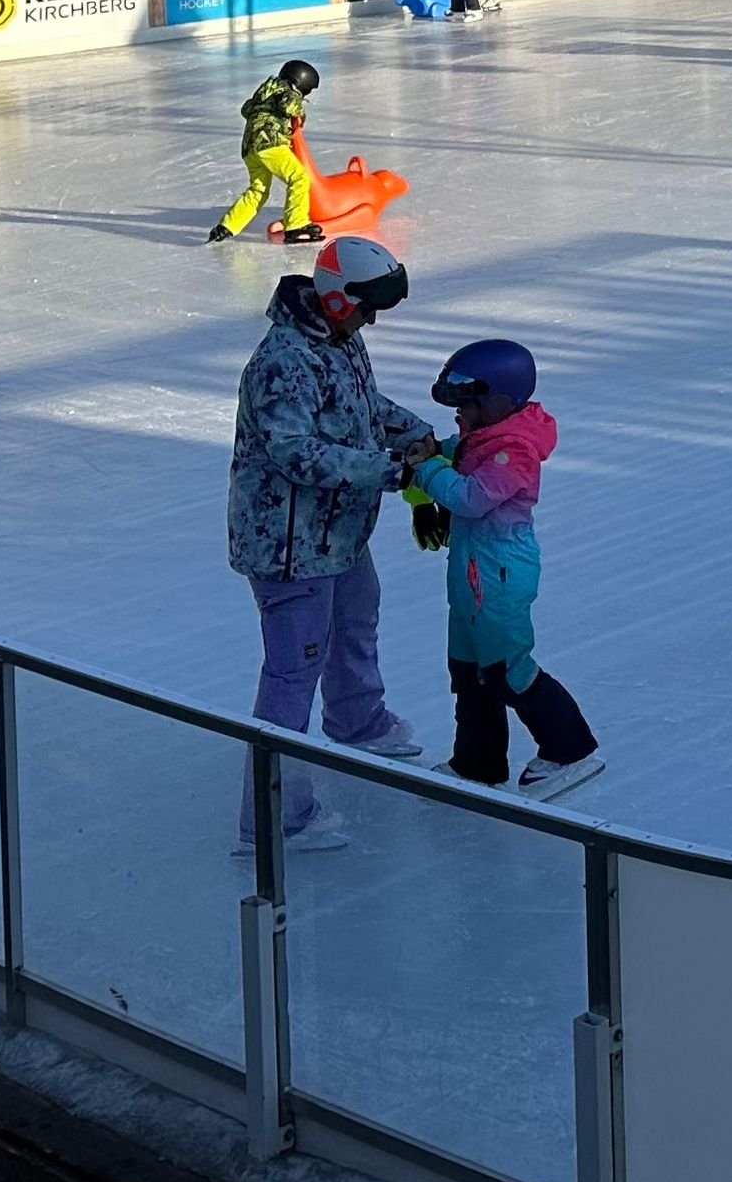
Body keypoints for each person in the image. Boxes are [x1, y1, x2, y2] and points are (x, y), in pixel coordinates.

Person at [226, 235, 438, 851]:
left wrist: (415, 434)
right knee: (293, 673)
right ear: (339, 297)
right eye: (367, 307)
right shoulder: (283, 363)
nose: (372, 320)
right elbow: (296, 453)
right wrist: (392, 470)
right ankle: (273, 820)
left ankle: (357, 722)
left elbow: (361, 407)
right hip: (290, 548)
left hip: (337, 533)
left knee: (355, 623)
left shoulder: (339, 338)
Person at [406, 338, 605, 800]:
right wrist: (433, 452)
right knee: (469, 671)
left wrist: (428, 470)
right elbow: (458, 453)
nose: (459, 413)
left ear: (498, 402)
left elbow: (471, 498)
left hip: (499, 573)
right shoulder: (483, 438)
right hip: (472, 571)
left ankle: (570, 749)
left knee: (504, 668)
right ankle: (477, 762)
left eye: (466, 405)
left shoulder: (514, 451)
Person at [208, 58, 326, 244]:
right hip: (270, 143)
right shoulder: (288, 90)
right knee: (299, 177)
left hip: (250, 149)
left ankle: (226, 226)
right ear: (300, 83)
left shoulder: (265, 93)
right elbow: (288, 105)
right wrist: (300, 114)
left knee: (258, 189)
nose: (305, 96)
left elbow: (246, 109)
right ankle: (295, 226)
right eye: (306, 91)